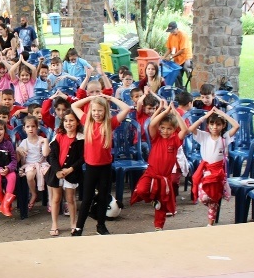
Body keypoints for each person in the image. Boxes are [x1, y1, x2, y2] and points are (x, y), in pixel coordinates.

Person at [70, 94, 132, 236]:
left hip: (105, 167)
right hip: (91, 167)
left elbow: (126, 108)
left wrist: (109, 99)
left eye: (100, 110)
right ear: (90, 111)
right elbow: (74, 106)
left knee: (104, 197)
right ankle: (79, 227)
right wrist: (91, 98)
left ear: (105, 111)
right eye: (94, 110)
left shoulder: (110, 123)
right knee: (87, 198)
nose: (96, 114)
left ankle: (101, 225)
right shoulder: (87, 121)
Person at [129, 101, 188, 230]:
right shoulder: (156, 138)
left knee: (162, 203)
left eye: (169, 128)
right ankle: (152, 200)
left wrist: (175, 112)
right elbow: (152, 124)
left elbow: (185, 129)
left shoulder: (175, 140)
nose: (165, 131)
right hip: (150, 173)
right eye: (163, 128)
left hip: (164, 178)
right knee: (141, 190)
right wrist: (163, 110)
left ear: (173, 130)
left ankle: (158, 226)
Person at [188, 108, 240, 226]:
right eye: (212, 124)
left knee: (214, 200)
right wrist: (206, 117)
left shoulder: (224, 138)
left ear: (223, 125)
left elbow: (236, 126)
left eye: (218, 124)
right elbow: (191, 128)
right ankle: (211, 207)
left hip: (217, 173)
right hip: (206, 171)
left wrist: (223, 114)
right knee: (204, 197)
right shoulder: (204, 136)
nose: (215, 127)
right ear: (208, 125)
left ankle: (210, 224)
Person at [46, 110, 84, 237]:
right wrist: (57, 170)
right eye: (66, 120)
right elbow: (52, 155)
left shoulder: (80, 138)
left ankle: (73, 223)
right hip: (56, 172)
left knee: (70, 199)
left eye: (72, 120)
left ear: (78, 122)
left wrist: (70, 169)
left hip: (71, 173)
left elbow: (82, 158)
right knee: (56, 199)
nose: (68, 123)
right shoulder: (58, 136)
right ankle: (54, 224)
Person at [16, 115, 50, 212]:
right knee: (30, 176)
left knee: (49, 174)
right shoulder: (24, 142)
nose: (31, 129)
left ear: (37, 127)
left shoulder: (41, 140)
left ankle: (50, 200)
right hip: (29, 165)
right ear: (24, 128)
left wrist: (46, 141)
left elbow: (45, 153)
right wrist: (18, 149)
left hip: (42, 163)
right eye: (28, 126)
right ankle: (34, 193)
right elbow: (17, 159)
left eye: (33, 126)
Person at [163, 21, 192, 86]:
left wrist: (171, 57)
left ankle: (193, 91)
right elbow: (169, 48)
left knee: (189, 75)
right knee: (177, 76)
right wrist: (164, 57)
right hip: (177, 59)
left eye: (173, 30)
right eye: (171, 31)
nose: (172, 32)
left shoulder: (183, 35)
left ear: (176, 28)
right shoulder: (171, 35)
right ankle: (179, 92)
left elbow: (182, 50)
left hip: (186, 57)